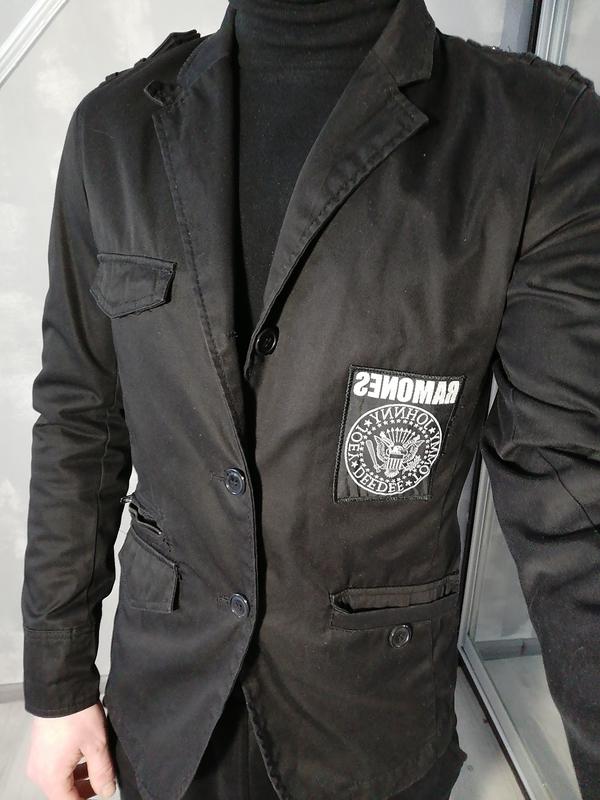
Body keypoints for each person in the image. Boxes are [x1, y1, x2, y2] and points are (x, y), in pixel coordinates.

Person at [22, 1, 600, 799]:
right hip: (167, 707)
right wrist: (58, 681)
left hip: (370, 724)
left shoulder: (533, 132)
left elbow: (575, 490)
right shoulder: (115, 130)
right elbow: (79, 418)